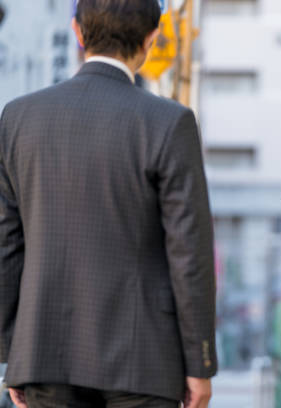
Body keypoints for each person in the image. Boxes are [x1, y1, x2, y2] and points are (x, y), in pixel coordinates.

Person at [0, 1, 217, 407]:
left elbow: (6, 245)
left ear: (77, 33)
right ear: (151, 40)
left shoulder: (17, 118)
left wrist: (13, 354)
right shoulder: (169, 123)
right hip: (145, 362)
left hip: (43, 355)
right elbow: (190, 254)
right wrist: (199, 362)